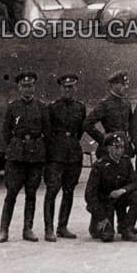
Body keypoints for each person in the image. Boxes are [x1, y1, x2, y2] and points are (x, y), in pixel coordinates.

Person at [0, 72, 49, 243]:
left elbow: (46, 132)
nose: (28, 89)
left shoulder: (41, 107)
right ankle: (3, 229)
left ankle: (28, 229)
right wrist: (13, 148)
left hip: (35, 156)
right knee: (11, 192)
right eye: (25, 86)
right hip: (16, 156)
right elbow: (6, 132)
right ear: (19, 88)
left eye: (31, 86)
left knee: (31, 193)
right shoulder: (13, 107)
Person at [44, 74, 86, 241]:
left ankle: (62, 227)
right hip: (56, 153)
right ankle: (49, 229)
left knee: (69, 191)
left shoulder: (80, 107)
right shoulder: (52, 107)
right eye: (65, 87)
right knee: (52, 190)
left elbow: (80, 129)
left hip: (73, 154)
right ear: (60, 88)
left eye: (71, 87)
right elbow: (47, 131)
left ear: (75, 88)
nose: (68, 90)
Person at [85, 132, 137, 242]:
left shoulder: (125, 162)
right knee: (107, 237)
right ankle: (97, 225)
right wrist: (100, 216)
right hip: (105, 203)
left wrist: (123, 190)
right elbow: (89, 194)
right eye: (116, 147)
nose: (119, 151)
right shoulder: (100, 165)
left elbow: (136, 182)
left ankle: (126, 229)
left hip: (120, 198)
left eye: (122, 147)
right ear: (108, 148)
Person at [83, 71, 135, 159]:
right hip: (109, 148)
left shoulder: (127, 103)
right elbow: (87, 124)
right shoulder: (105, 104)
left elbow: (131, 123)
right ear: (113, 85)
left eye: (126, 84)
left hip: (124, 147)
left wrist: (129, 139)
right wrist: (103, 139)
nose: (125, 87)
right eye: (122, 85)